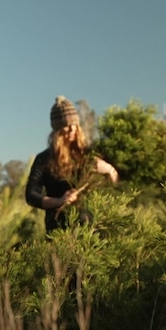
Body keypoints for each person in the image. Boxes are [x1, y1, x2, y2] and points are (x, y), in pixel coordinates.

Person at [25, 96, 118, 233]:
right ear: (57, 130)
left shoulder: (89, 154)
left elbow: (116, 188)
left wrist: (109, 170)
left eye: (75, 124)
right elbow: (31, 195)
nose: (72, 129)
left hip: (91, 227)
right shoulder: (43, 159)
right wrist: (59, 201)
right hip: (58, 228)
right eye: (67, 125)